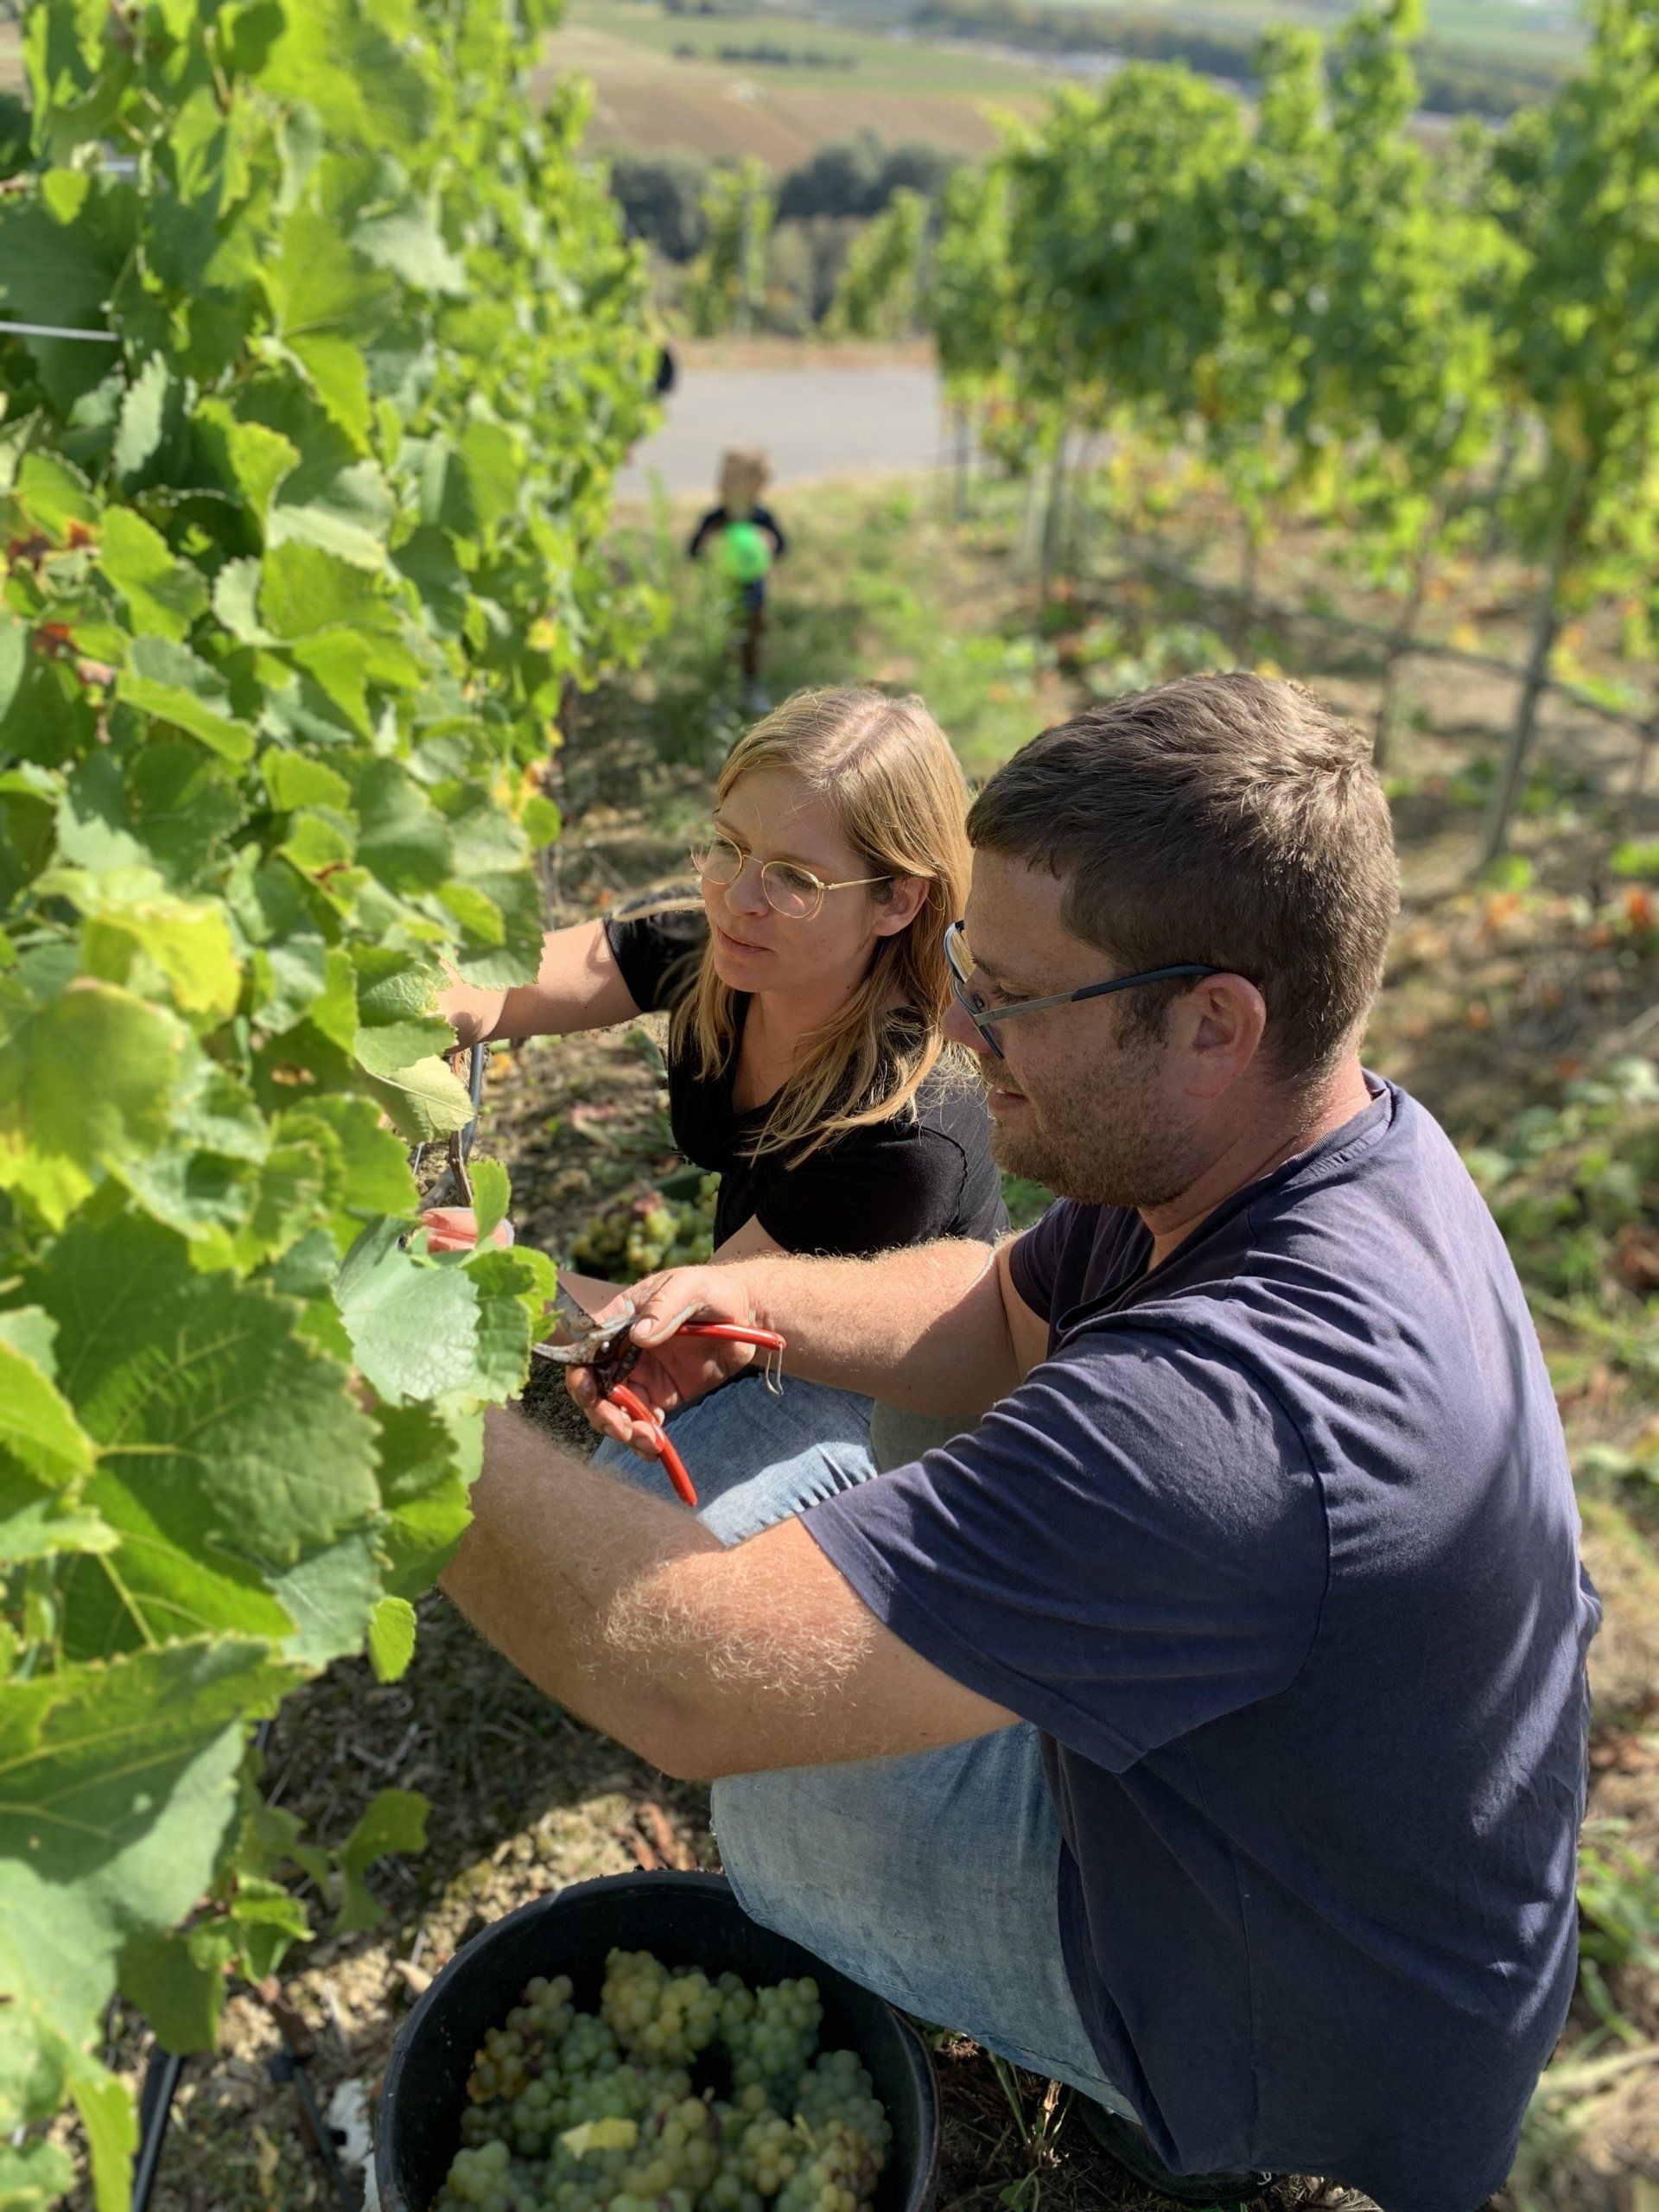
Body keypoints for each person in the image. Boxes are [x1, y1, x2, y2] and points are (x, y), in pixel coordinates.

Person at [440, 673, 1598, 2212]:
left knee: (778, 1803)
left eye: (1015, 996)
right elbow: (1002, 1312)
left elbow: (684, 1679)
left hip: (1300, 2020)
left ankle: (1180, 2121)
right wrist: (743, 1293)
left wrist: (395, 1372)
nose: (959, 1022)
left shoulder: (1231, 1421)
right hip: (1326, 1841)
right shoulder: (1321, 1141)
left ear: (1214, 1020)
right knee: (891, 1476)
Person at [432, 683, 1005, 1539]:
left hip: (883, 1390)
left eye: (796, 880)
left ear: (897, 900)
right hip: (745, 1296)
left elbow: (683, 1330)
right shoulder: (730, 955)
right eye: (728, 847)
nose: (739, 896)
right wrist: (430, 1006)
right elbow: (542, 975)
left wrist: (499, 1281)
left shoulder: (910, 1128)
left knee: (638, 1516)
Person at [689, 449, 786, 714]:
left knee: (751, 642)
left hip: (753, 594)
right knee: (723, 646)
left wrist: (769, 542)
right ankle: (721, 694)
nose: (723, 482)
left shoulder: (761, 519)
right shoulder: (715, 519)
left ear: (756, 486)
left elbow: (781, 546)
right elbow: (693, 550)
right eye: (722, 475)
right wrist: (706, 543)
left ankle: (750, 688)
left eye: (733, 477)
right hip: (720, 595)